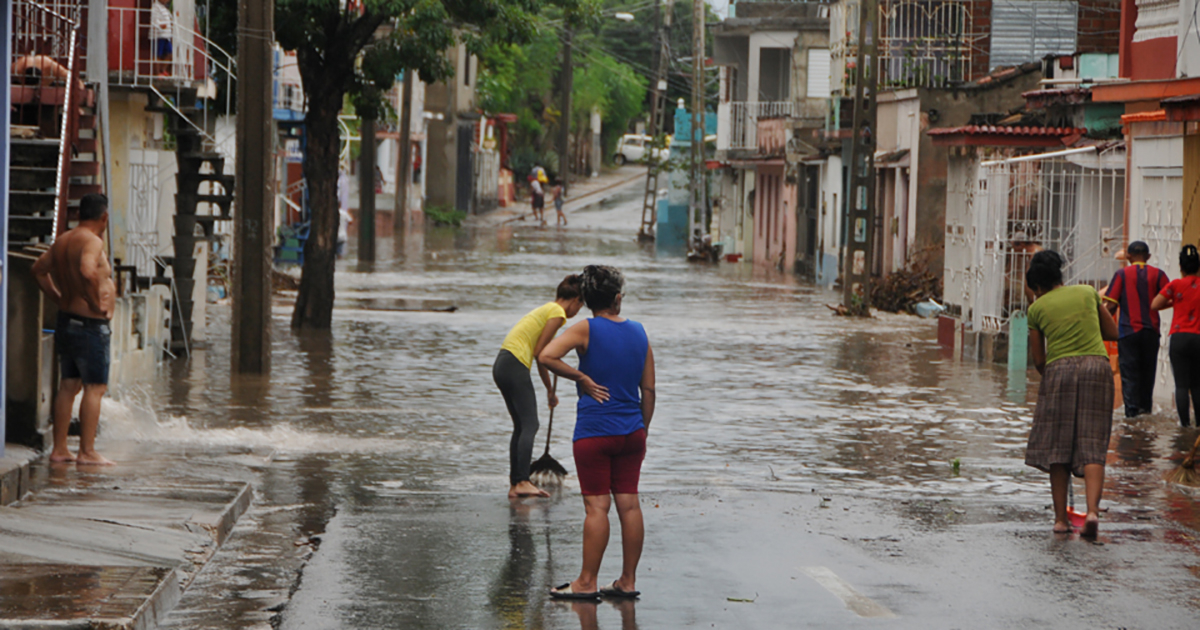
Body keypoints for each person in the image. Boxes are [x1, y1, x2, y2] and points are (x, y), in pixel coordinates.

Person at [540, 265, 656, 599]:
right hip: (631, 431)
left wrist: (581, 379)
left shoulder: (585, 329)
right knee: (630, 505)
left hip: (594, 432)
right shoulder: (640, 333)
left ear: (589, 300)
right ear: (618, 299)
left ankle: (587, 582)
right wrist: (641, 431)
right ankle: (627, 581)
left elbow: (547, 355)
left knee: (597, 508)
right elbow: (648, 391)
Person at [1025, 250, 1119, 538]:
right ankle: (1091, 512)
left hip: (1059, 371)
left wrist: (1055, 378)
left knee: (1058, 448)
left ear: (1037, 287)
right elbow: (1112, 332)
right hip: (1097, 367)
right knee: (1093, 444)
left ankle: (1060, 520)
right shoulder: (1088, 293)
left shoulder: (1036, 309)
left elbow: (1039, 359)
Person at [31, 194, 117, 466]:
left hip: (67, 321)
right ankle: (87, 451)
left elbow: (38, 269)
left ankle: (59, 448)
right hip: (90, 325)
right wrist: (94, 302)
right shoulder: (92, 241)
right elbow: (87, 270)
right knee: (96, 387)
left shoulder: (63, 240)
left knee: (68, 385)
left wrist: (57, 297)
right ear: (103, 217)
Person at [493, 274, 585, 498]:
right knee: (530, 425)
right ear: (575, 300)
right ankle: (523, 480)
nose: (577, 312)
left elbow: (540, 353)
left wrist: (549, 390)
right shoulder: (557, 313)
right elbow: (542, 354)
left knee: (521, 426)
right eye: (580, 305)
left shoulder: (547, 309)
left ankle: (516, 484)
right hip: (515, 364)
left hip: (503, 363)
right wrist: (551, 388)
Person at [1103, 241, 1169, 417]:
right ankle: (1146, 412)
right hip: (1151, 332)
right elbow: (1171, 297)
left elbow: (1110, 306)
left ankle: (1131, 419)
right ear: (1148, 257)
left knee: (1130, 376)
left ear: (1128, 256)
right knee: (1148, 376)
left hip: (1128, 333)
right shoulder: (1159, 275)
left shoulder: (1121, 275)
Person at [1151, 245, 1200, 427]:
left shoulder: (1175, 285)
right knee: (1197, 385)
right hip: (1198, 337)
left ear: (1181, 267)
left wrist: (1176, 302)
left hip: (1179, 337)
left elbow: (1155, 304)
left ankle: (1185, 425)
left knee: (1181, 385)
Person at [151, 0, 173, 77]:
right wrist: (161, 26)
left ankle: (163, 70)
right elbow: (154, 22)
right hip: (158, 35)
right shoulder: (155, 7)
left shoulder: (165, 8)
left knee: (170, 53)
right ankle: (157, 73)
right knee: (158, 54)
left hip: (166, 35)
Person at [337, 170, 352, 258]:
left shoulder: (332, 214)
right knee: (340, 254)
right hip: (342, 236)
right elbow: (351, 221)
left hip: (334, 236)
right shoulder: (344, 213)